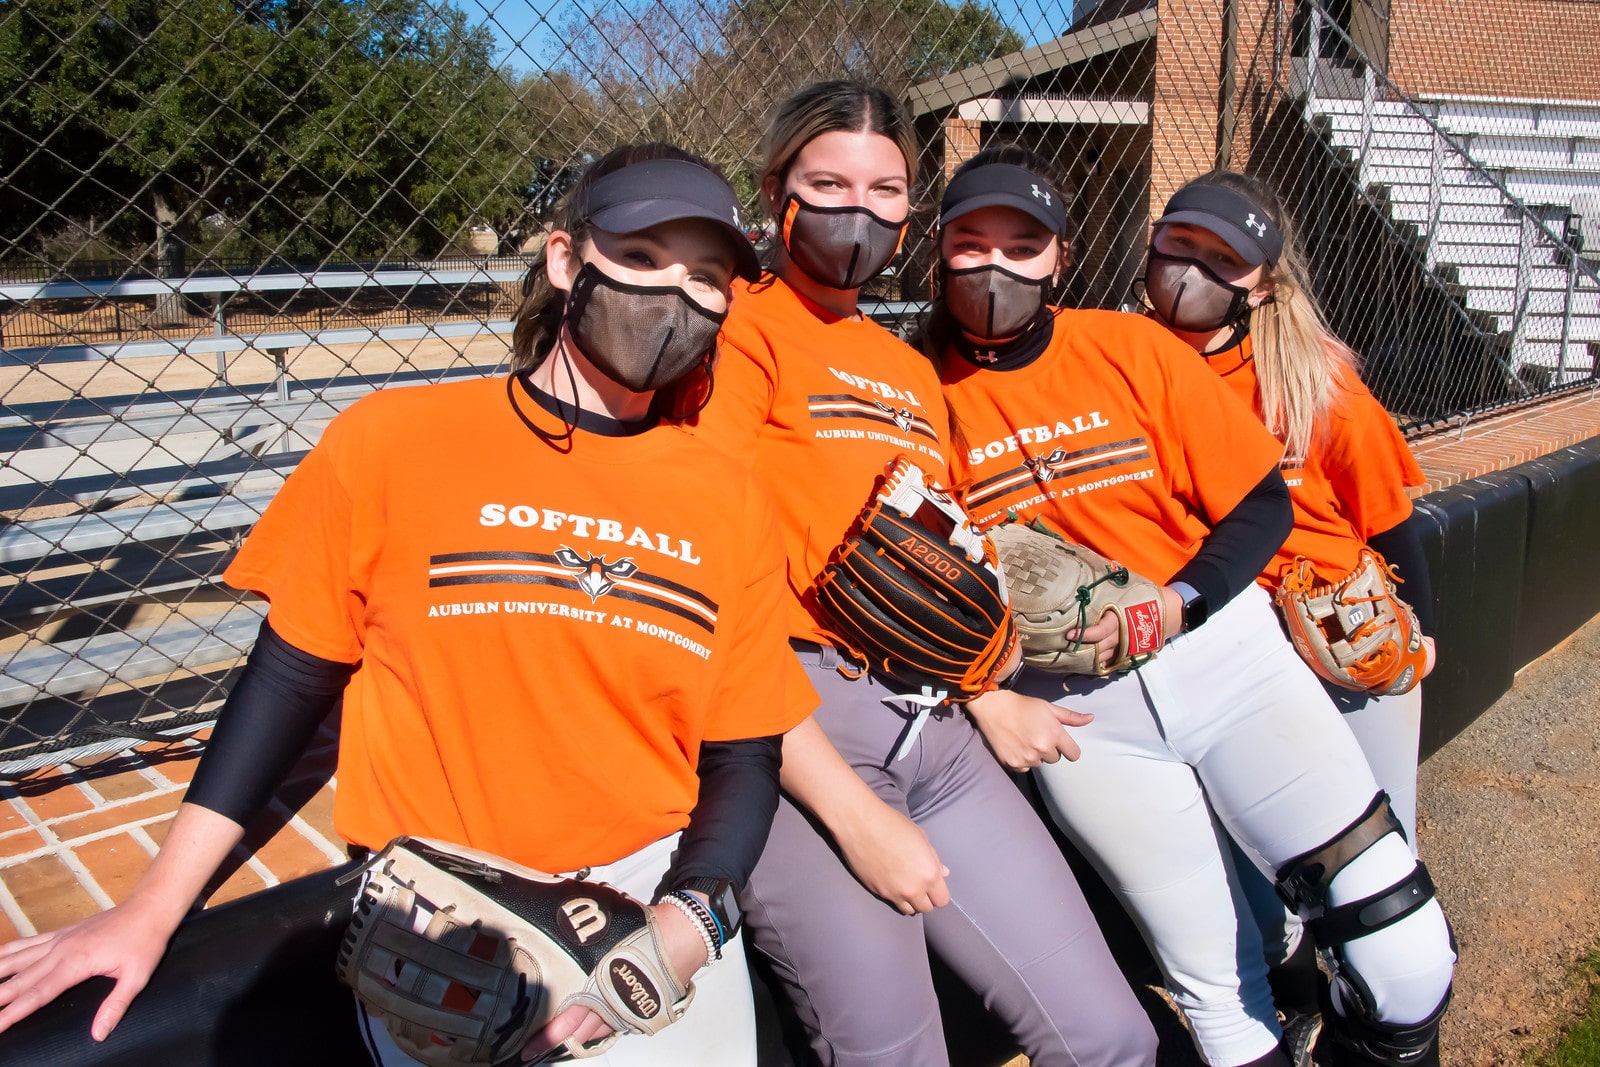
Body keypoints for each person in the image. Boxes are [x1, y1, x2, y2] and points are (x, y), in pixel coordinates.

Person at [0, 143, 816, 1067]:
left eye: (707, 276)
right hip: (445, 907)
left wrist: (688, 925)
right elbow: (286, 685)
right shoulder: (395, 441)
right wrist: (153, 909)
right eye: (640, 256)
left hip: (647, 892)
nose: (675, 293)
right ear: (564, 259)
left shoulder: (728, 494)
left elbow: (744, 748)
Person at [922, 145, 1456, 1067]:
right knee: (1223, 997)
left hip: (1230, 660)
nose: (998, 263)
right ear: (935, 250)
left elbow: (1262, 504)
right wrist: (982, 685)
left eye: (1024, 242)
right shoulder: (907, 392)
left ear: (1060, 255)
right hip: (1082, 718)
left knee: (1404, 955)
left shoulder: (1127, 346)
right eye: (972, 241)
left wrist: (1177, 602)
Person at [688, 81, 1158, 1067]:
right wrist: (855, 817)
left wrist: (986, 689)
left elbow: (939, 554)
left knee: (1110, 1036)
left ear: (910, 213)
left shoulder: (906, 369)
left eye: (885, 189)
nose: (856, 209)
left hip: (938, 732)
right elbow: (712, 583)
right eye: (827, 182)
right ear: (774, 191)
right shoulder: (735, 331)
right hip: (797, 733)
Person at [1141, 169, 1440, 1054]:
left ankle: (1386, 1025)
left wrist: (1421, 638)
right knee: (1261, 865)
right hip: (1229, 651)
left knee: (1376, 878)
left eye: (1222, 258)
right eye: (1180, 247)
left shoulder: (1315, 377)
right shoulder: (1127, 360)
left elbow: (1393, 522)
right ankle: (1309, 1006)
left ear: (1262, 279)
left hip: (1337, 643)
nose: (1193, 270)